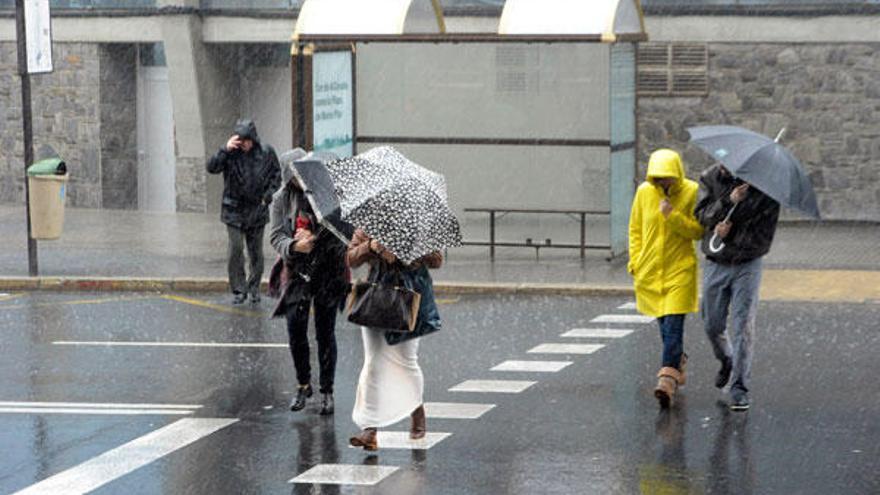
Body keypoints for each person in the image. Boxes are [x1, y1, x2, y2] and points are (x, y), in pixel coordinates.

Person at [268, 149, 349, 415]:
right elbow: (276, 236)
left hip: (328, 270)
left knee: (325, 332)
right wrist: (294, 245)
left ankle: (327, 390)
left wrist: (316, 237)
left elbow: (344, 235)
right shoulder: (281, 199)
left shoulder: (330, 193)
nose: (299, 180)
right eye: (294, 175)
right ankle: (303, 383)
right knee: (296, 330)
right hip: (297, 271)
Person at [346, 229, 443, 451]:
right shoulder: (369, 224)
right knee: (373, 364)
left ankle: (416, 409)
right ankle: (369, 430)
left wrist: (403, 253)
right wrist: (371, 246)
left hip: (407, 298)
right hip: (375, 297)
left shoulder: (416, 223)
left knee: (406, 360)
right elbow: (350, 259)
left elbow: (437, 259)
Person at [695, 163, 780, 411]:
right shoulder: (710, 177)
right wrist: (725, 207)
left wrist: (744, 204)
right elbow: (700, 214)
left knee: (743, 325)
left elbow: (765, 229)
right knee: (712, 323)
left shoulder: (765, 186)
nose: (724, 167)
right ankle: (726, 359)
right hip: (716, 261)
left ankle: (739, 387)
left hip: (748, 263)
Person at [628, 149, 703, 408]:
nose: (663, 183)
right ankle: (677, 360)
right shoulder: (644, 193)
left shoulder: (692, 192)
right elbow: (636, 229)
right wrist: (635, 261)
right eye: (658, 178)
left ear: (677, 174)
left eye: (667, 178)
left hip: (679, 270)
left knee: (673, 324)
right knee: (664, 326)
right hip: (649, 270)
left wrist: (672, 216)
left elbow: (697, 231)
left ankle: (667, 379)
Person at [207, 119, 281, 305]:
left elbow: (276, 176)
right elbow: (212, 167)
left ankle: (254, 287)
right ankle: (239, 289)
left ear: (254, 139)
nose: (245, 144)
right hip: (233, 209)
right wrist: (225, 149)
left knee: (256, 252)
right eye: (242, 140)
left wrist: (267, 196)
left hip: (257, 208)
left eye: (248, 140)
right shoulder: (230, 154)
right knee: (236, 249)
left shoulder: (266, 152)